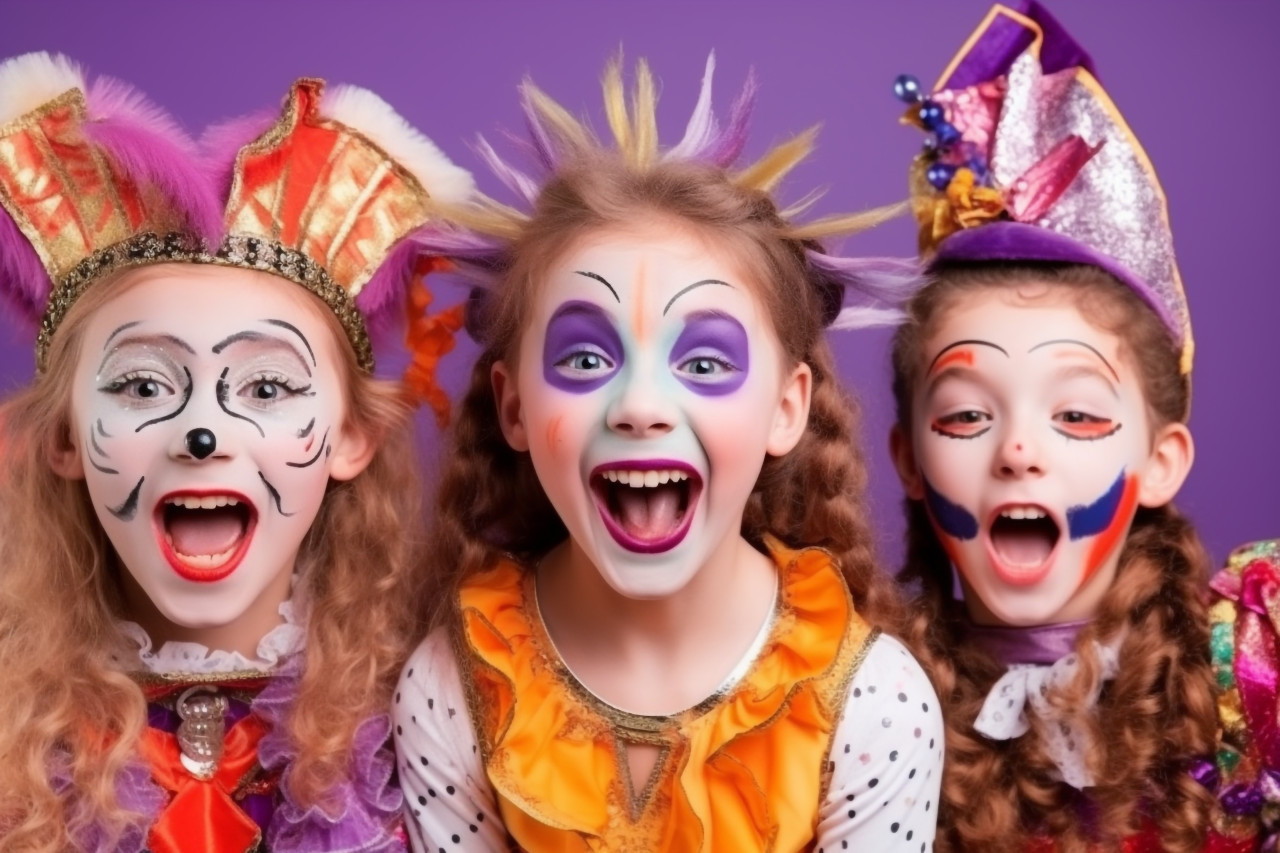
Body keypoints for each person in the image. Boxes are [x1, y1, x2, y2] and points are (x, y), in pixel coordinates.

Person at [391, 55, 944, 851]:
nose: (643, 406)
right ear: (514, 406)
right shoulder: (456, 687)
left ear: (786, 408)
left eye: (706, 362)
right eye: (585, 359)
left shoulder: (875, 705)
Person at [0, 53, 472, 851]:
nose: (202, 432)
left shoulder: (438, 709)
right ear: (66, 438)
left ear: (350, 438)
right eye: (145, 385)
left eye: (266, 387)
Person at [885, 3, 1264, 850]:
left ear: (1160, 460)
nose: (1018, 450)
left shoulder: (1256, 673)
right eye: (969, 413)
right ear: (908, 459)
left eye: (1078, 413)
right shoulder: (859, 704)